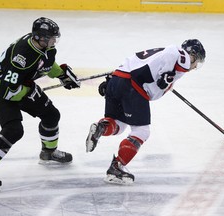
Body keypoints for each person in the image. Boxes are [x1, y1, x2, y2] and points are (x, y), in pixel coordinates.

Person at [0, 17, 81, 190]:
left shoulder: (45, 47)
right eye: (51, 38)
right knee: (13, 130)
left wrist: (62, 75)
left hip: (22, 85)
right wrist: (29, 92)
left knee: (51, 115)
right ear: (40, 38)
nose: (54, 41)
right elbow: (9, 90)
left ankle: (48, 152)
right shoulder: (21, 55)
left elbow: (45, 64)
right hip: (1, 89)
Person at [86, 39, 206, 185]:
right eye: (197, 61)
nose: (194, 67)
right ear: (192, 54)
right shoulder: (182, 56)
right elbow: (172, 51)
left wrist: (113, 80)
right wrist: (165, 74)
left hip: (117, 79)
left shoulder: (158, 54)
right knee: (141, 131)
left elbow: (132, 63)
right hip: (133, 87)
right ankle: (116, 168)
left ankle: (101, 128)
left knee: (119, 124)